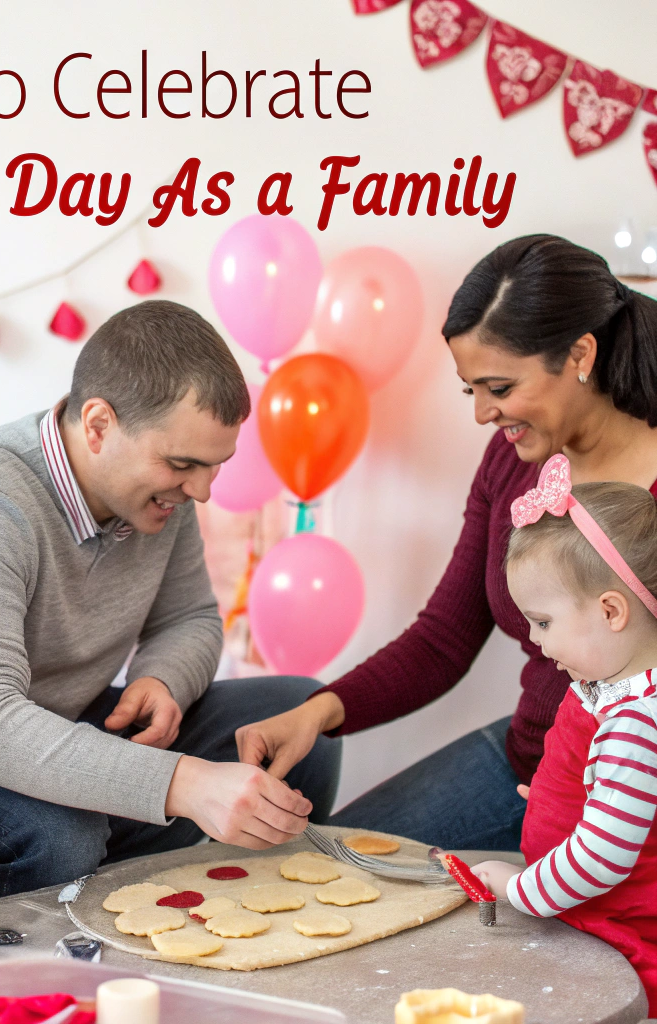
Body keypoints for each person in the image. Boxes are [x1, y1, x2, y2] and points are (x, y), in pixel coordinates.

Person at [0, 299, 341, 907]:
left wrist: (164, 679)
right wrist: (186, 783)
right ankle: (0, 944)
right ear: (97, 426)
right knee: (59, 833)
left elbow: (191, 618)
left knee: (298, 717)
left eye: (213, 467)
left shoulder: (158, 497)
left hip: (58, 724)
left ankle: (200, 901)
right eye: (182, 465)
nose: (202, 490)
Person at [235, 234, 657, 850]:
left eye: (501, 388)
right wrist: (318, 711)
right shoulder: (510, 462)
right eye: (472, 391)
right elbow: (444, 637)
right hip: (527, 760)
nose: (484, 414)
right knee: (333, 868)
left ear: (580, 355)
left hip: (630, 794)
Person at [472, 455, 657, 1014]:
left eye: (544, 622)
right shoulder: (610, 685)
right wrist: (559, 798)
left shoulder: (636, 723)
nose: (537, 642)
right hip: (582, 907)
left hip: (612, 929)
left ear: (610, 610)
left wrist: (517, 889)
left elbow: (603, 856)